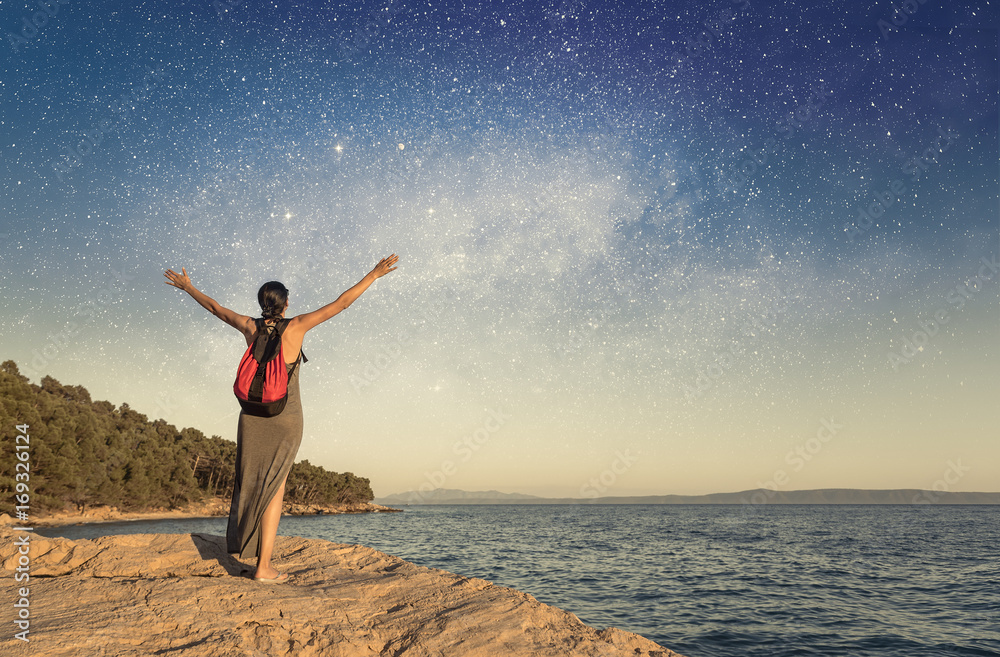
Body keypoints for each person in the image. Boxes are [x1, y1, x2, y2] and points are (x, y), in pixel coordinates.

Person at [164, 254, 399, 582]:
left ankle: (251, 553)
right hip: (286, 417)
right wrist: (374, 274)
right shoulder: (297, 326)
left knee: (253, 482)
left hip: (251, 415)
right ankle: (264, 567)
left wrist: (189, 287)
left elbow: (216, 308)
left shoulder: (249, 326)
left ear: (262, 304)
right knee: (276, 486)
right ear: (285, 303)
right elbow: (341, 303)